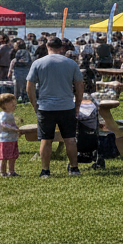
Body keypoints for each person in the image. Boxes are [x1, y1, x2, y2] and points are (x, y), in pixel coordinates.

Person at [25, 36, 85, 177]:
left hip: (46, 107)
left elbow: (30, 86)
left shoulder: (38, 63)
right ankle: (74, 168)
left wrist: (35, 104)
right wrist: (77, 104)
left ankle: (45, 170)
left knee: (46, 139)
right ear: (62, 48)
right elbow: (79, 85)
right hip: (66, 106)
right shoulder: (71, 63)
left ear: (47, 46)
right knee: (70, 138)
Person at [0, 92, 21, 177]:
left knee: (12, 157)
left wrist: (18, 129)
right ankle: (3, 172)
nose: (15, 105)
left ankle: (11, 171)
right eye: (12, 103)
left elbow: (12, 124)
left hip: (12, 139)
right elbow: (4, 124)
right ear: (5, 105)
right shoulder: (3, 114)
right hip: (5, 139)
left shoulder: (10, 114)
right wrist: (14, 129)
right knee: (4, 157)